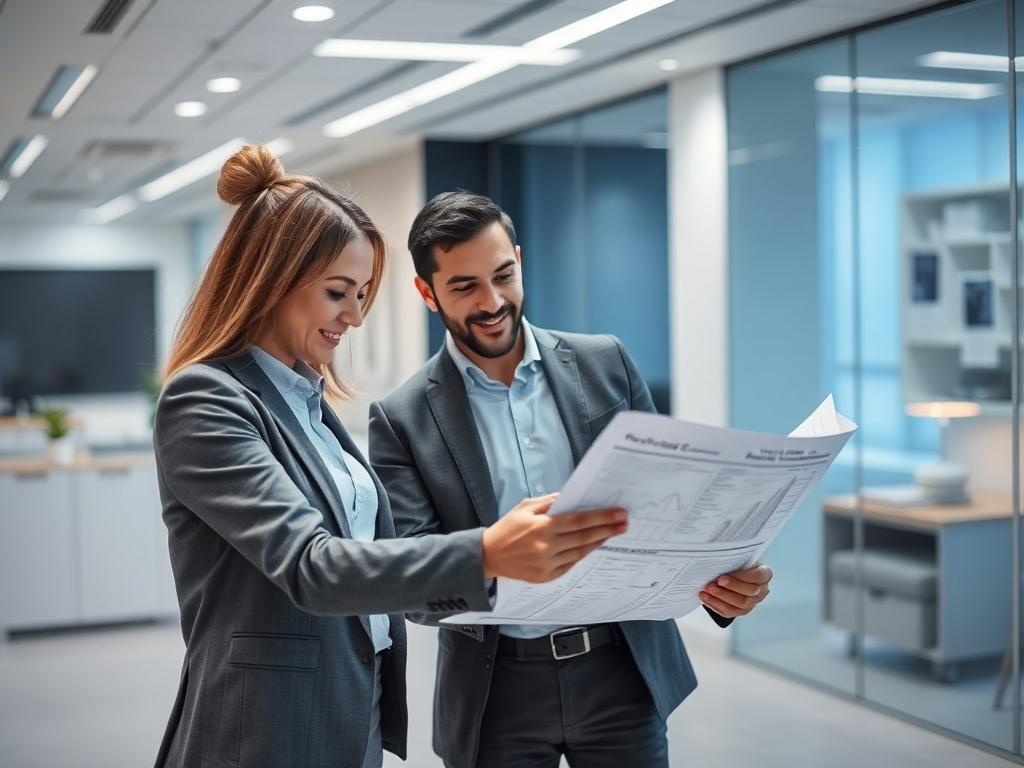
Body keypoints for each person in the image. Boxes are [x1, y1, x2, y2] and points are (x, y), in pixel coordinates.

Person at [152, 148, 628, 768]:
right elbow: (311, 566)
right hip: (266, 722)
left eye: (362, 294)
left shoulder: (309, 403)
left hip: (352, 700)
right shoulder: (205, 399)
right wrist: (487, 551)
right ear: (271, 281)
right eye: (337, 293)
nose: (353, 316)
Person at [368, 191, 774, 768]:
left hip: (622, 669)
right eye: (464, 287)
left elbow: (673, 509)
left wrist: (724, 585)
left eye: (503, 275)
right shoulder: (402, 416)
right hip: (495, 689)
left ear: (518, 259)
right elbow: (413, 579)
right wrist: (494, 555)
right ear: (427, 292)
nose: (492, 301)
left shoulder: (605, 362)